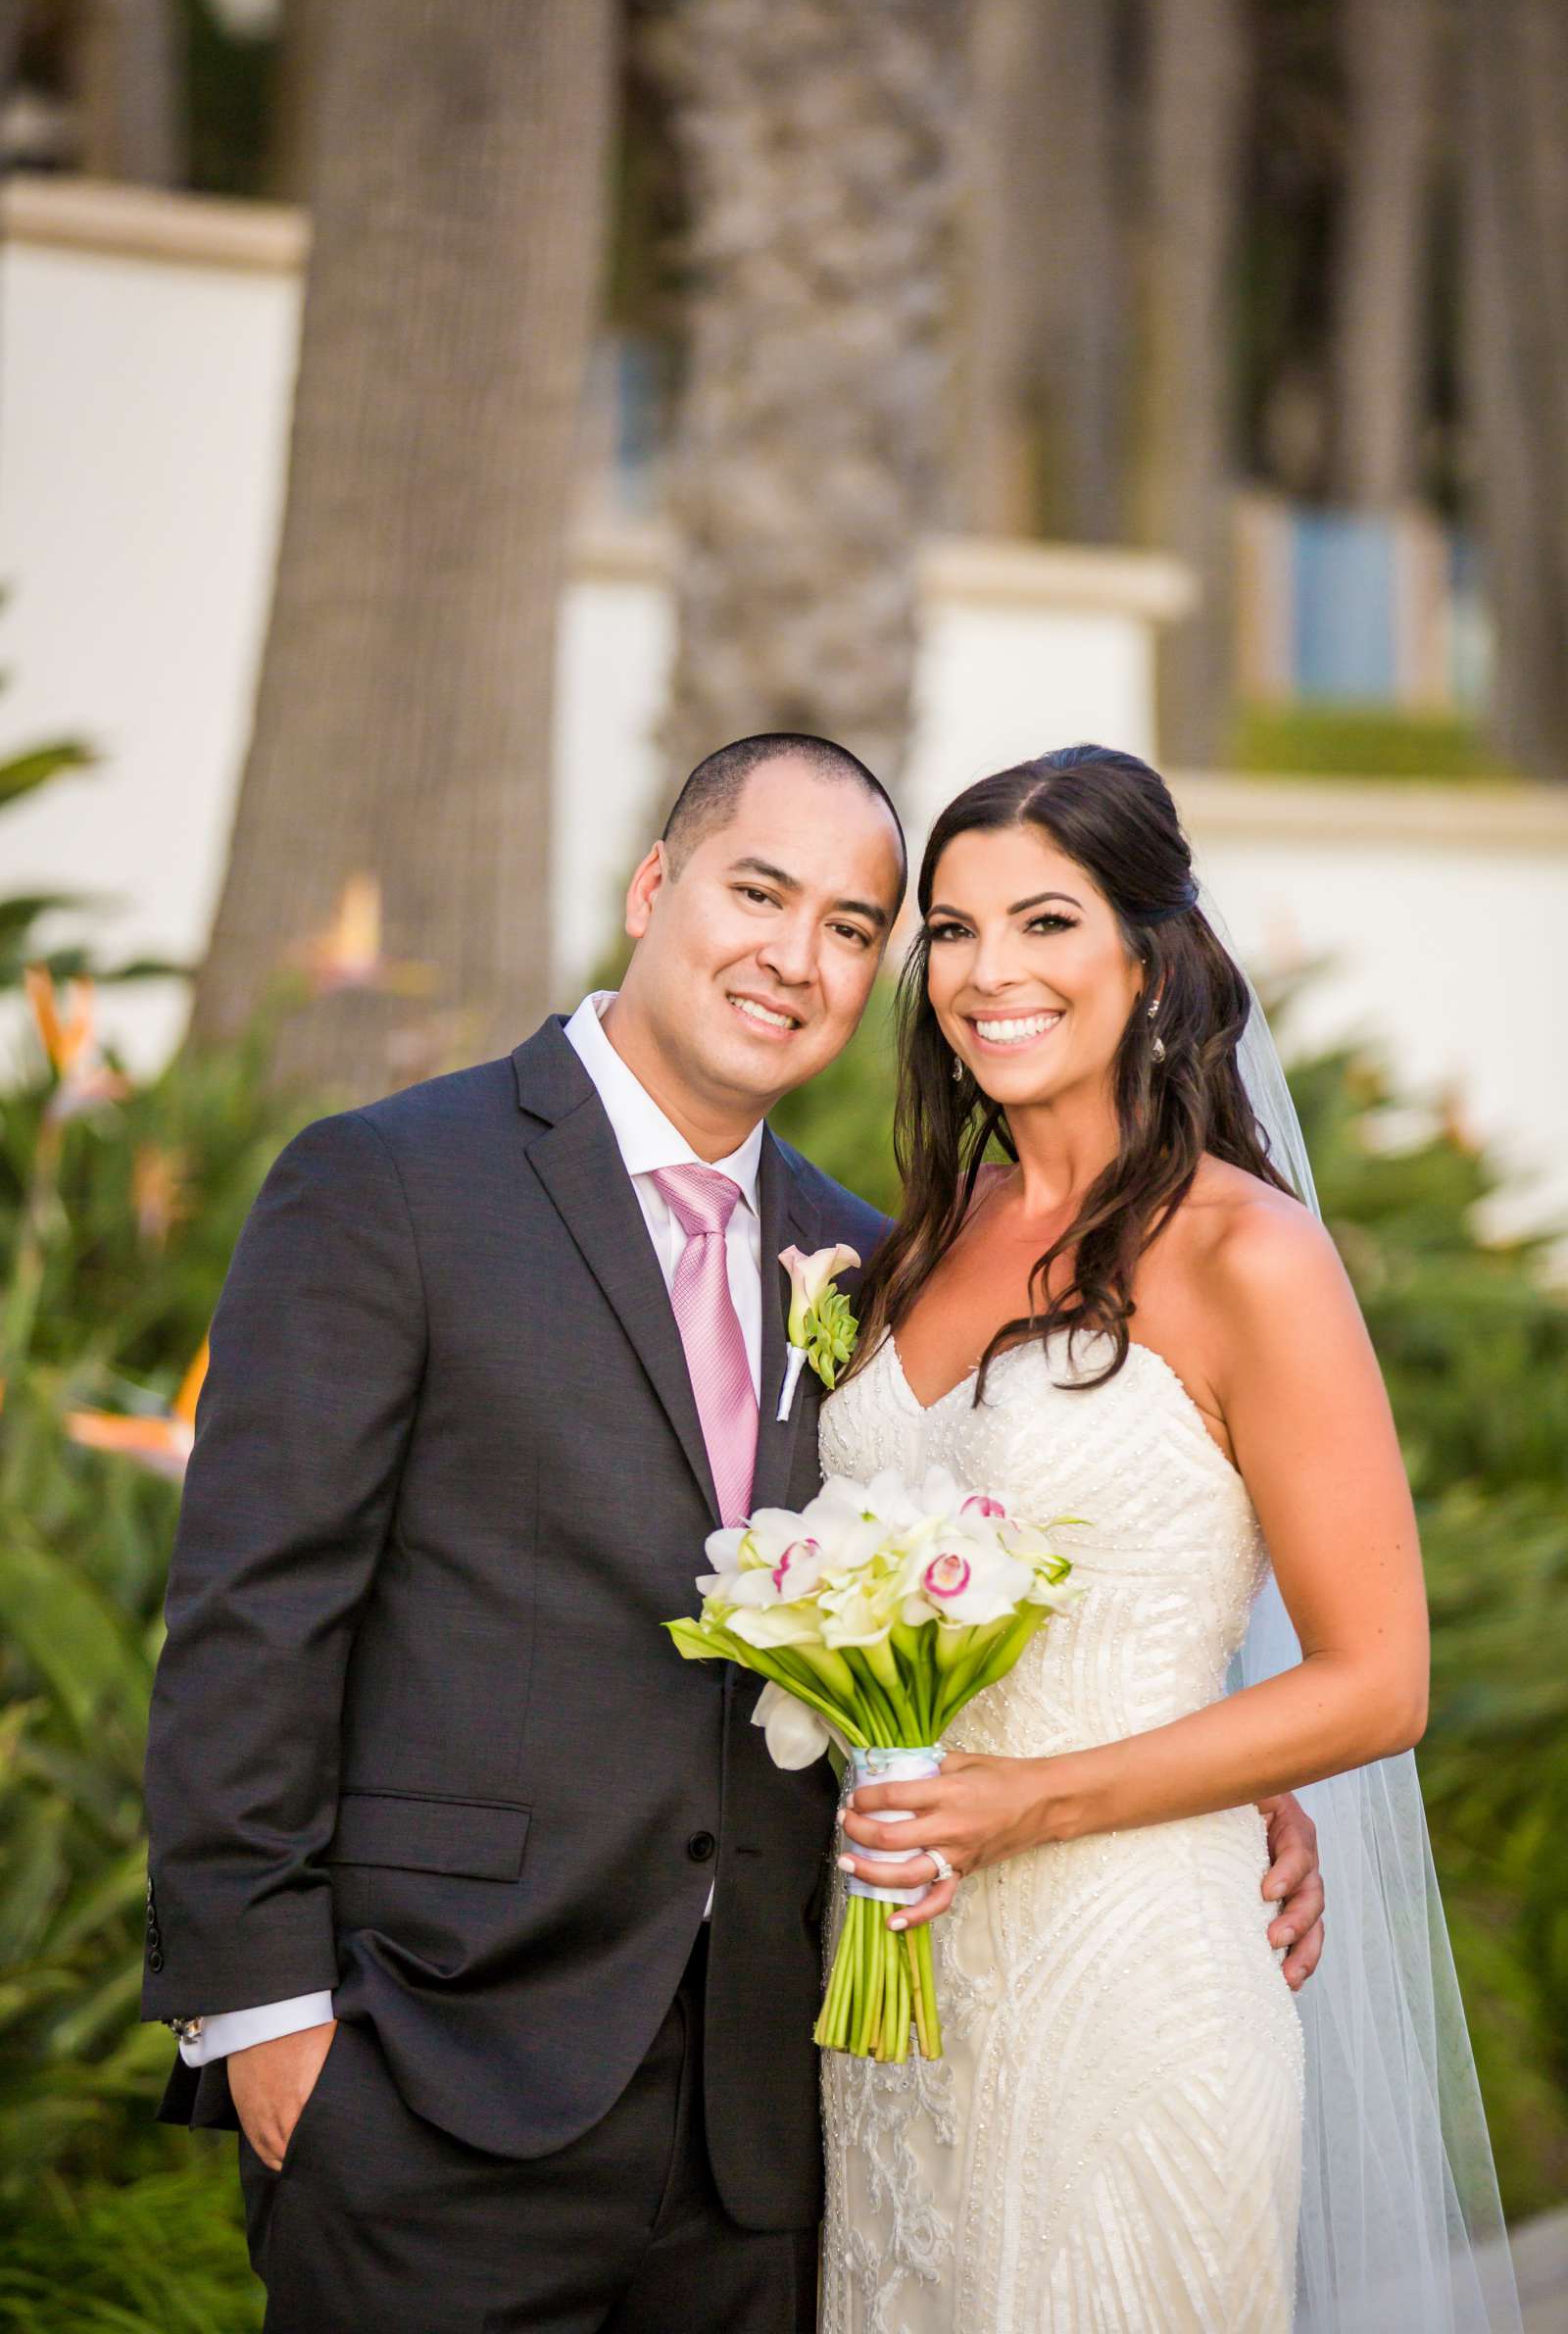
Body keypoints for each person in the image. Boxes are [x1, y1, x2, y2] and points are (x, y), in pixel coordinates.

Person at [142, 734, 1324, 2334]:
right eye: (758, 891)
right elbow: (253, 1619)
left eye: (852, 927)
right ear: (652, 886)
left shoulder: (874, 1266)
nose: (796, 957)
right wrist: (264, 2015)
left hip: (775, 2120)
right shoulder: (389, 1186)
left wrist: (1224, 1771)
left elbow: (993, 1571)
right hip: (432, 2083)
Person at [821, 745, 1514, 2333]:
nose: (987, 973)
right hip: (894, 2005)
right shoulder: (910, 1243)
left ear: (1150, 959)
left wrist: (1034, 1799)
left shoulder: (1247, 1255)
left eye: (1045, 922)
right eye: (951, 928)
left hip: (1134, 1976)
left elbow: (1377, 1681)